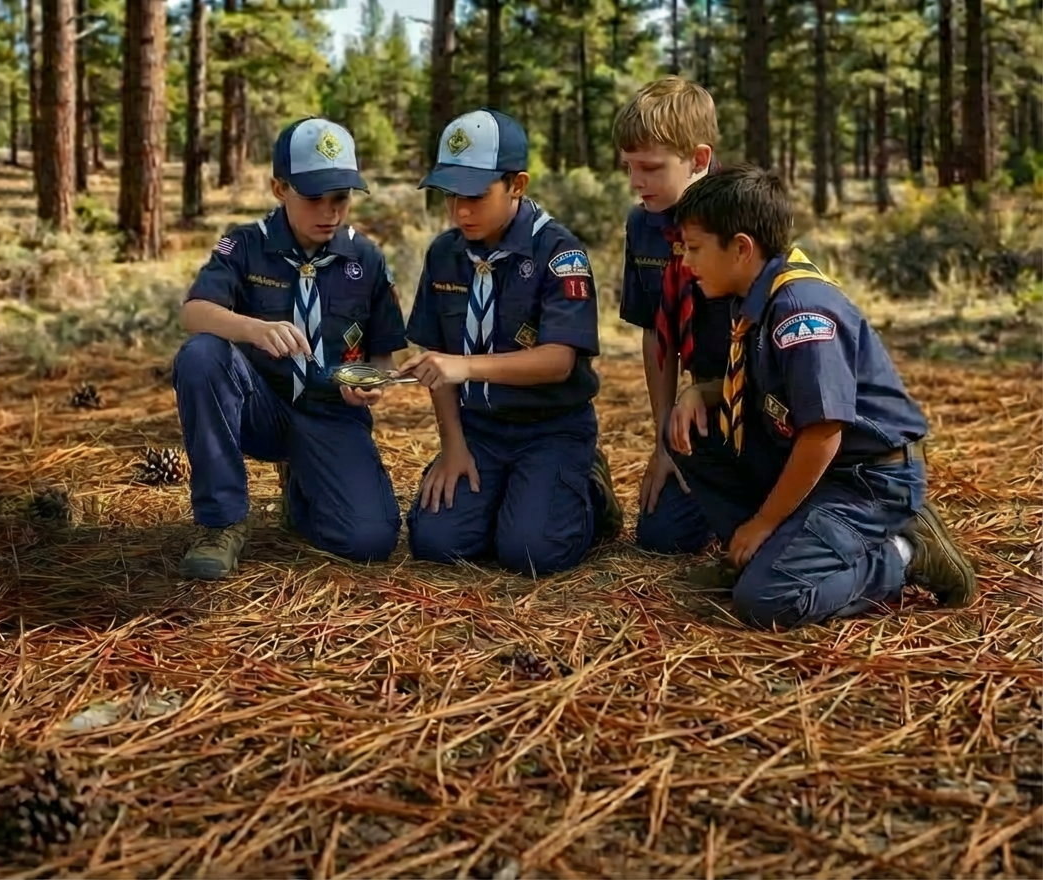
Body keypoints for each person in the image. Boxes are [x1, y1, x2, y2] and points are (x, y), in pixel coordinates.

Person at [664, 164, 978, 629]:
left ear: (741, 249)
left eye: (695, 249)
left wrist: (765, 520)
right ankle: (762, 556)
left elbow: (824, 433)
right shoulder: (754, 292)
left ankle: (905, 553)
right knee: (692, 434)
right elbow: (764, 390)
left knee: (769, 600)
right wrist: (701, 392)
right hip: (810, 462)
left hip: (866, 478)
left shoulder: (800, 311)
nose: (686, 264)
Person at [172, 117, 408, 579]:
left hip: (331, 414)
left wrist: (374, 384)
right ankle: (222, 524)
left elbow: (384, 353)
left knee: (369, 541)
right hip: (260, 408)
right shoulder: (244, 244)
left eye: (340, 199)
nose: (329, 212)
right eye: (314, 198)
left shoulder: (367, 259)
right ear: (280, 188)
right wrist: (252, 328)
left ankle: (303, 491)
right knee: (201, 354)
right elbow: (194, 312)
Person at [398, 108, 624, 577]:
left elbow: (559, 361)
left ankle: (587, 491)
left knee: (531, 553)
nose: (461, 210)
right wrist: (453, 445)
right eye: (450, 196)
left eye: (476, 197)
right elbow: (439, 365)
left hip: (550, 428)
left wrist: (467, 366)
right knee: (435, 543)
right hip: (479, 430)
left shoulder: (559, 253)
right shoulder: (446, 253)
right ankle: (511, 498)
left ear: (517, 185)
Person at [613, 75, 732, 555]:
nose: (636, 182)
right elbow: (653, 335)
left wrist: (707, 391)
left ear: (698, 160)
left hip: (756, 402)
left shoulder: (739, 218)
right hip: (694, 411)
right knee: (661, 539)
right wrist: (664, 440)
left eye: (650, 167)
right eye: (628, 167)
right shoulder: (644, 224)